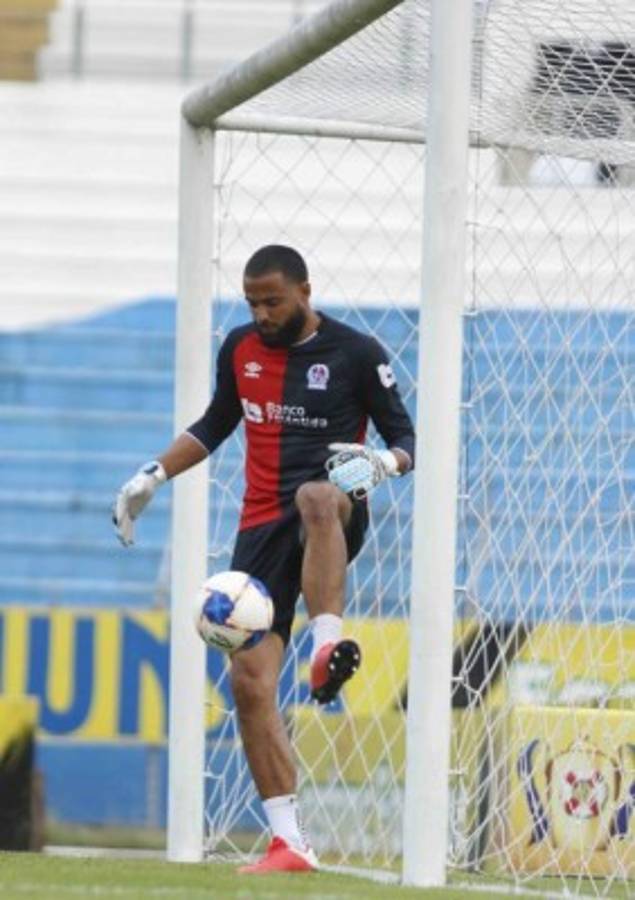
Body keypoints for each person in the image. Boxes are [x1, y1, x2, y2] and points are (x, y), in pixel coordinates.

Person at [112, 245, 415, 874]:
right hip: (259, 531)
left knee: (315, 495)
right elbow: (218, 421)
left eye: (272, 300)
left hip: (332, 512)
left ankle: (327, 642)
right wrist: (153, 474)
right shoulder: (242, 349)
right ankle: (290, 841)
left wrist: (383, 465)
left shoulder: (356, 354)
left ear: (305, 290)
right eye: (252, 301)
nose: (261, 312)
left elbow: (405, 437)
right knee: (249, 683)